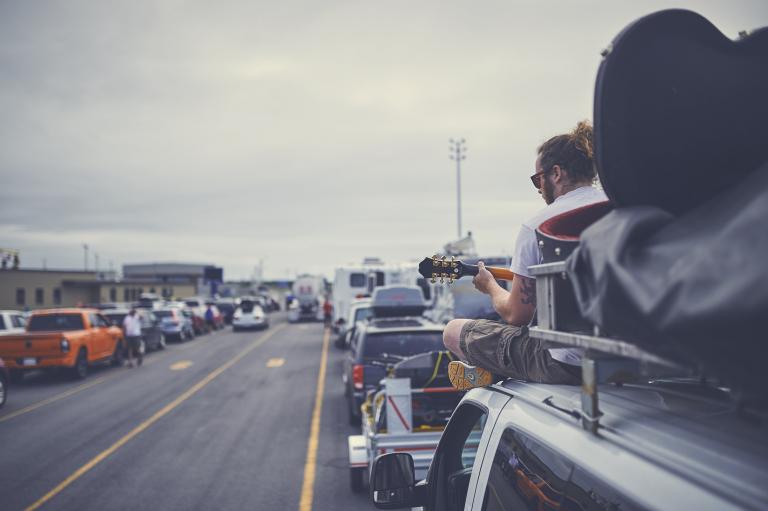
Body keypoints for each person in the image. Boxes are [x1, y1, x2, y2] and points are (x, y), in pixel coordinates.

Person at [443, 121, 607, 389]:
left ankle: (490, 372)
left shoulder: (538, 227)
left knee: (452, 332)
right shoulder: (620, 210)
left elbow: (516, 315)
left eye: (537, 180)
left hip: (565, 363)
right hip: (626, 356)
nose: (539, 189)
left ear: (556, 174)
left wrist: (491, 287)